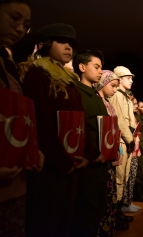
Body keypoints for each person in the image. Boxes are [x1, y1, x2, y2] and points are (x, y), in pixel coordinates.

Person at [23, 23, 91, 237]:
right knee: (46, 220)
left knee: (66, 217)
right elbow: (39, 120)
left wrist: (85, 153)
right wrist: (61, 160)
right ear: (44, 44)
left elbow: (80, 119)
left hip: (73, 159)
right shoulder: (37, 73)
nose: (68, 47)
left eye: (71, 43)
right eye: (62, 41)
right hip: (51, 163)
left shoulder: (70, 80)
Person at [0, 1, 44, 236]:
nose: (19, 28)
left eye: (25, 25)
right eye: (13, 18)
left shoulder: (9, 66)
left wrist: (31, 148)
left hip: (14, 184)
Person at [72, 49, 122, 236]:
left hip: (102, 163)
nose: (100, 71)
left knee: (98, 208)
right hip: (88, 164)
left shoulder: (96, 96)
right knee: (85, 213)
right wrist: (91, 154)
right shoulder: (76, 92)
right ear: (82, 67)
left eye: (101, 67)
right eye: (97, 66)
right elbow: (80, 130)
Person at [95, 70, 124, 235]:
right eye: (112, 85)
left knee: (110, 195)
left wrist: (117, 151)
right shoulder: (97, 102)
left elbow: (114, 131)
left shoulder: (109, 104)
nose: (114, 90)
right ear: (103, 82)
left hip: (111, 156)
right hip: (101, 158)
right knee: (103, 198)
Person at [109, 66, 137, 228]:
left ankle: (118, 211)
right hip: (121, 140)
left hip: (126, 139)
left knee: (123, 177)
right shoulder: (118, 96)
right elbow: (119, 120)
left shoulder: (124, 97)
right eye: (128, 77)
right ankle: (115, 214)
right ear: (119, 79)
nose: (131, 80)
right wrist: (130, 139)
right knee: (119, 178)